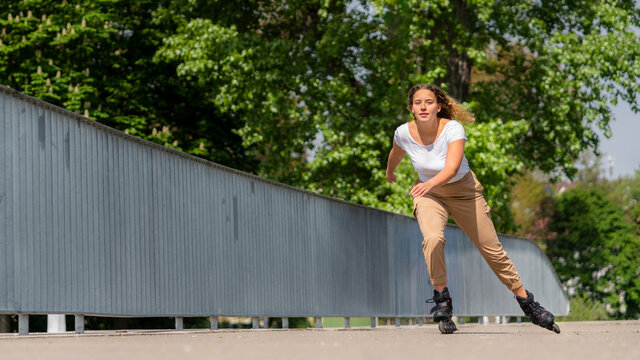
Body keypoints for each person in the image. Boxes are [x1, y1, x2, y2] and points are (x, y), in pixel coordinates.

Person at [385, 84, 559, 334]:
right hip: (429, 195)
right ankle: (441, 297)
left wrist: (429, 183)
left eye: (429, 102)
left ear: (439, 106)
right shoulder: (403, 132)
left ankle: (527, 303)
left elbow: (452, 168)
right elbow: (396, 152)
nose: (423, 107)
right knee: (433, 239)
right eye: (418, 102)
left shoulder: (453, 129)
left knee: (492, 251)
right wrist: (390, 172)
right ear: (410, 107)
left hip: (463, 192)